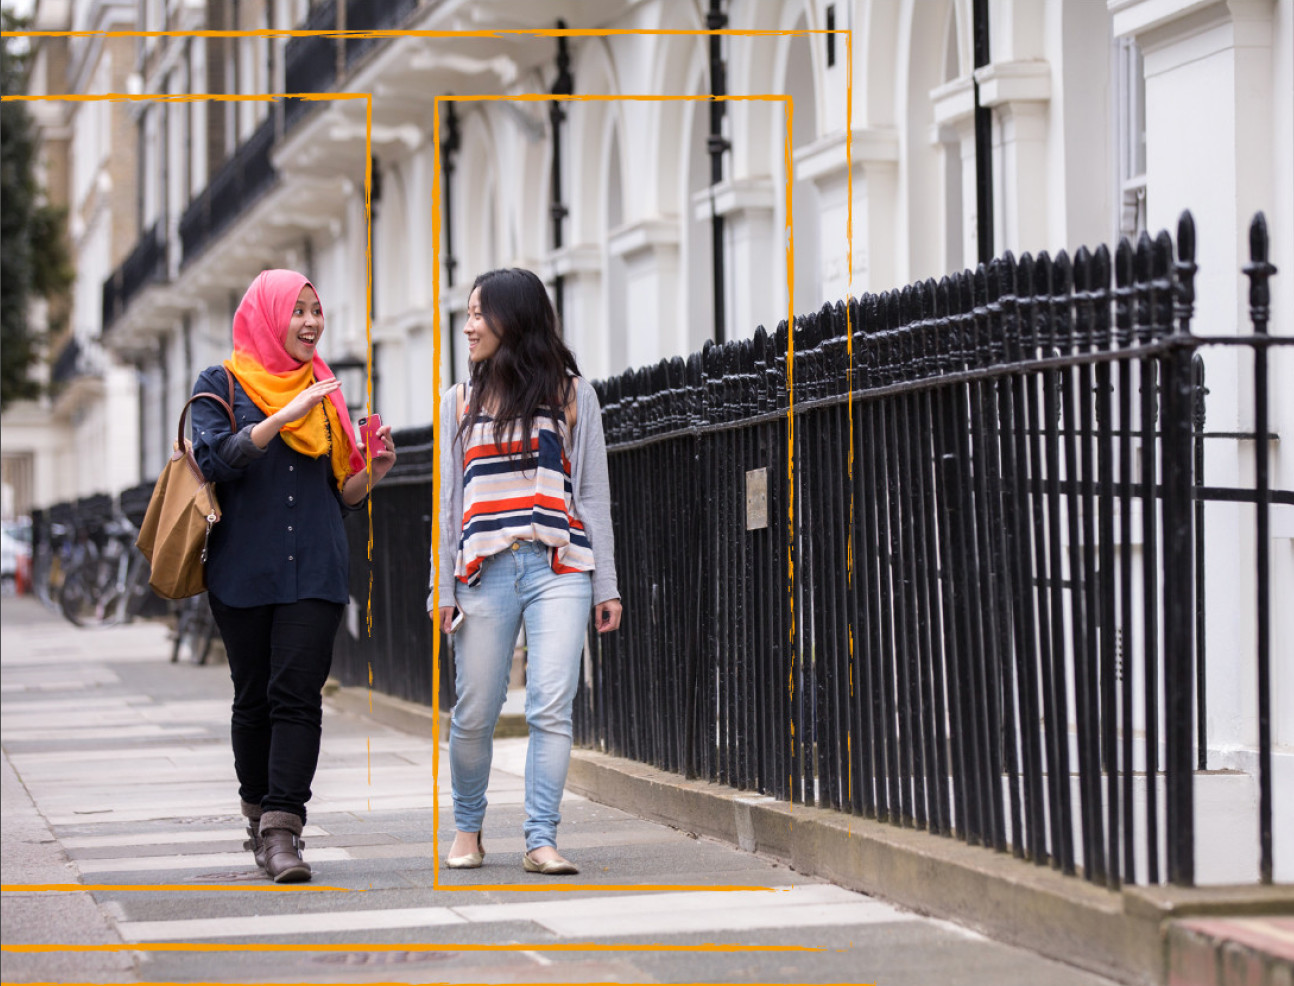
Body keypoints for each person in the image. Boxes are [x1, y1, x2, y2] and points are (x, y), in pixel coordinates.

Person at [191, 269, 396, 883]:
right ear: (267, 315)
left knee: (298, 697)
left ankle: (284, 830)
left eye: (316, 310)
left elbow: (340, 492)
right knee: (253, 699)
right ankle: (256, 813)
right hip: (243, 570)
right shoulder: (219, 383)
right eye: (298, 310)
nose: (311, 322)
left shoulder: (326, 390)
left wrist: (375, 471)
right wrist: (281, 416)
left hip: (315, 566)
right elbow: (214, 458)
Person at [430, 267, 622, 876]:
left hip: (559, 567)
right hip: (484, 572)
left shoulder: (571, 394)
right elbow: (448, 505)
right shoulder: (457, 402)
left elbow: (592, 495)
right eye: (468, 313)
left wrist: (606, 583)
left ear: (515, 318)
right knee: (475, 710)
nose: (469, 326)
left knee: (550, 705)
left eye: (480, 313)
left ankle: (541, 837)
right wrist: (442, 585)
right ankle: (468, 827)